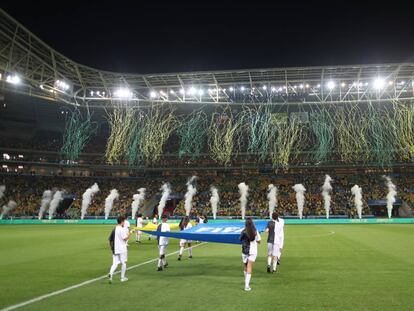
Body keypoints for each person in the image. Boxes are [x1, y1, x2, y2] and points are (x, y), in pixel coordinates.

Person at [240, 217, 261, 291]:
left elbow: (240, 239)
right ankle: (246, 285)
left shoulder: (243, 231)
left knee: (245, 266)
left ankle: (246, 282)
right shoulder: (255, 231)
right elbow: (259, 241)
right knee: (249, 267)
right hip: (252, 250)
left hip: (244, 250)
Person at [108, 216, 131, 283]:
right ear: (122, 221)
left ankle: (110, 274)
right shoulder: (122, 229)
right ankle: (122, 277)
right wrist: (130, 234)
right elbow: (125, 238)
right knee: (123, 262)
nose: (124, 222)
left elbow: (110, 239)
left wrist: (111, 247)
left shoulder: (114, 229)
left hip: (115, 249)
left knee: (115, 263)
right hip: (122, 248)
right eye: (124, 221)